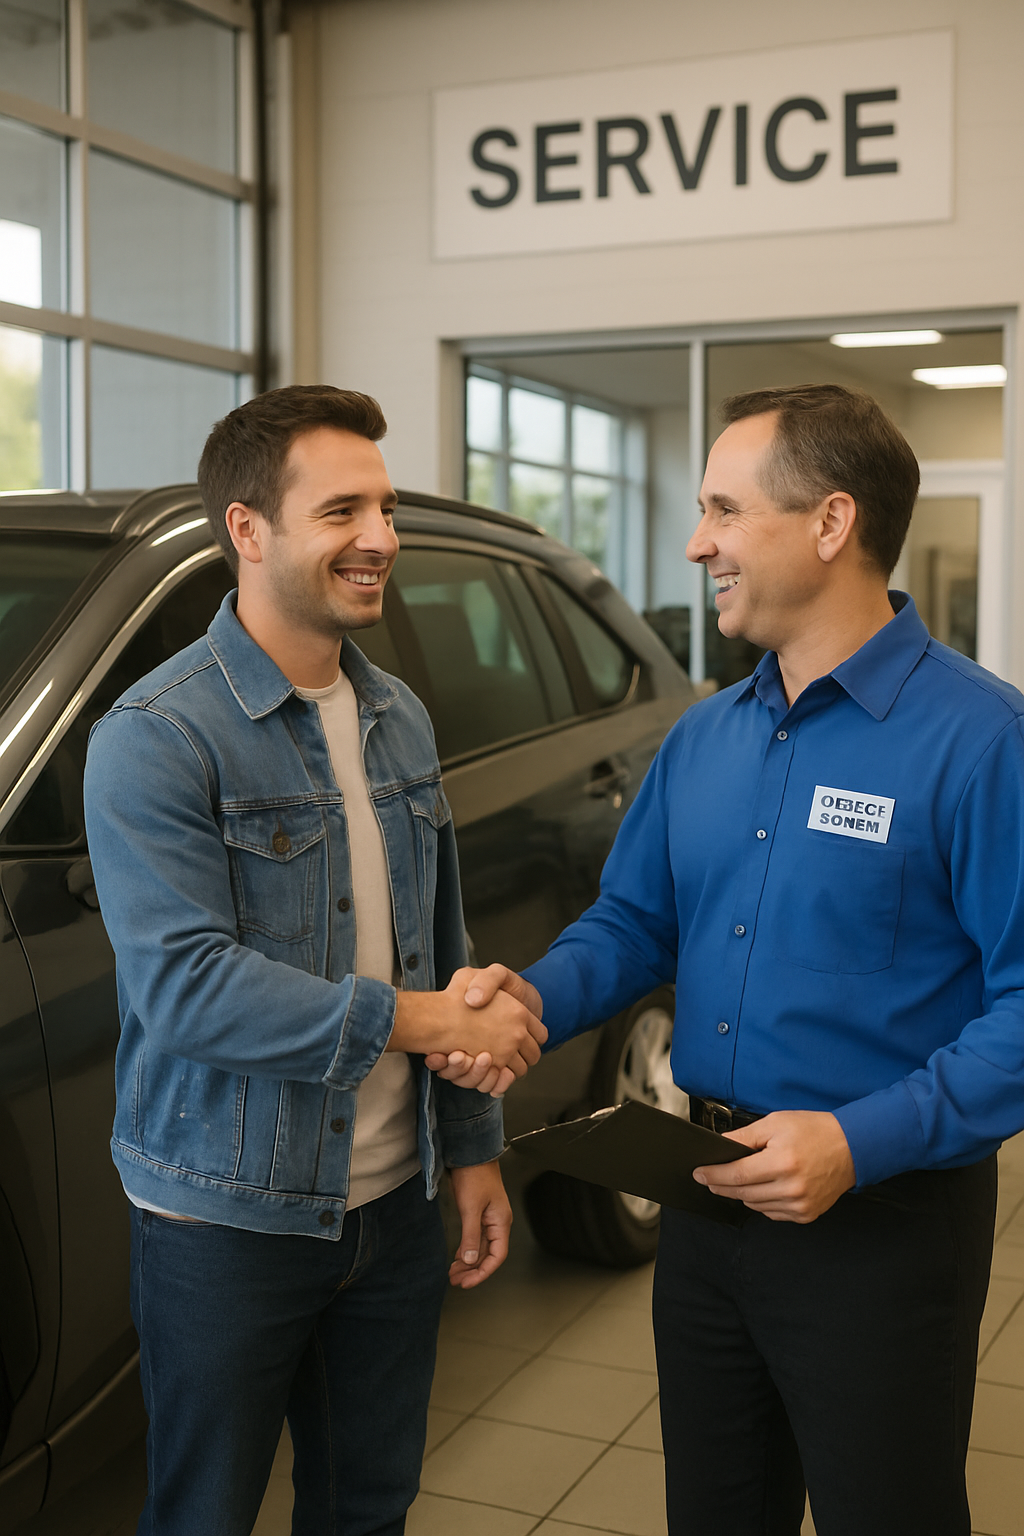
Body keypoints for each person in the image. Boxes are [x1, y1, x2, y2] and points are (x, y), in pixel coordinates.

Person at [436, 384, 1024, 1535]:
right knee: (716, 1509)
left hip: (881, 1219)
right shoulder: (704, 735)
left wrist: (860, 1140)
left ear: (829, 523)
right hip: (702, 1197)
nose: (696, 542)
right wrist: (526, 1003)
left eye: (722, 509)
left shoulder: (981, 740)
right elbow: (631, 925)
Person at [83, 385, 546, 1536]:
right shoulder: (157, 737)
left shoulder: (398, 717)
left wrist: (473, 1148)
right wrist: (439, 1023)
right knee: (205, 1515)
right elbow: (189, 989)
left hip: (392, 1206)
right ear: (248, 530)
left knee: (367, 1507)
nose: (382, 539)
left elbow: (441, 946)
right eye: (344, 510)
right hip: (224, 1223)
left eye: (384, 508)